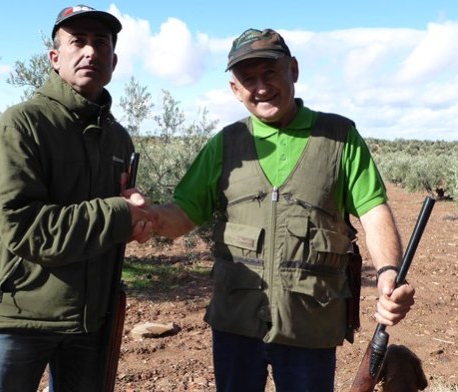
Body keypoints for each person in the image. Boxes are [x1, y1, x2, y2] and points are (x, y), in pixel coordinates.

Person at [152, 28, 415, 392]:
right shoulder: (224, 145)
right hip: (236, 326)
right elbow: (182, 213)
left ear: (293, 69)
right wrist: (144, 216)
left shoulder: (339, 138)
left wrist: (388, 273)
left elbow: (374, 212)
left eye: (270, 72)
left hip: (309, 326)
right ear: (235, 89)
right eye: (248, 79)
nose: (261, 87)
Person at [0, 4, 154, 392]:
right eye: (77, 42)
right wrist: (121, 214)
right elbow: (26, 228)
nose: (90, 52)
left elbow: (113, 225)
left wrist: (134, 223)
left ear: (113, 60)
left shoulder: (118, 139)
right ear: (55, 57)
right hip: (18, 315)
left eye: (100, 43)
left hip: (89, 320)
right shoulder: (22, 125)